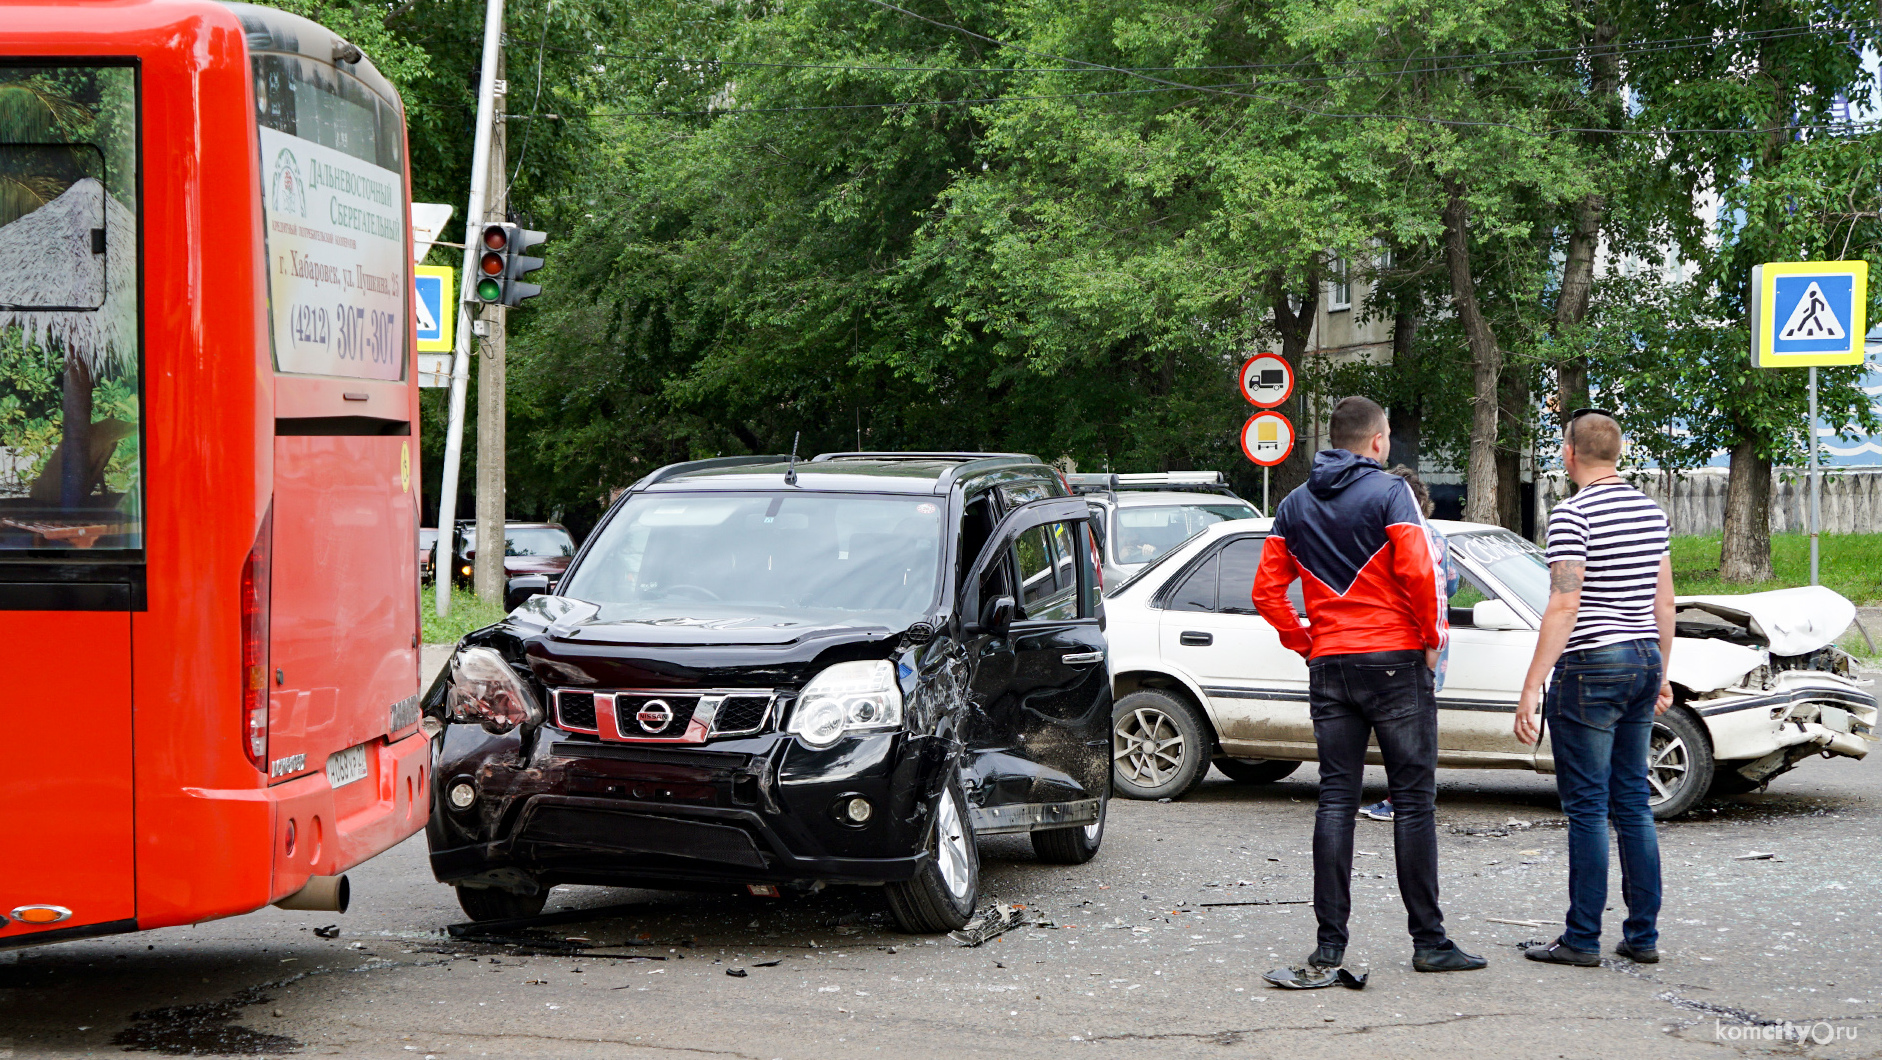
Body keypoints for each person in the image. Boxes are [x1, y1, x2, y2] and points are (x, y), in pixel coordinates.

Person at [1252, 396, 1485, 975]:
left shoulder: (1292, 505)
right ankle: (1429, 943)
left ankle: (1329, 946)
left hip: (1330, 665)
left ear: (1333, 440)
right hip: (1395, 662)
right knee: (1412, 804)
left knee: (1335, 800)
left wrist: (1306, 642)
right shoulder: (1390, 494)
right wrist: (1432, 640)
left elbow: (1265, 592)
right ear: (1378, 441)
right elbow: (1422, 573)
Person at [1514, 409, 1672, 967]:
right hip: (1643, 659)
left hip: (1592, 665)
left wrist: (1532, 683)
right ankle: (1643, 936)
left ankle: (1582, 938)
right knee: (1633, 801)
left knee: (1586, 806)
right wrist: (1662, 671)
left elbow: (1564, 602)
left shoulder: (1571, 514)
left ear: (1569, 454)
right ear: (1621, 451)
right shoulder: (1652, 513)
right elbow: (1664, 600)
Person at [1360, 465, 1460, 824]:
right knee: (1415, 731)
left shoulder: (1375, 535)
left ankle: (1402, 798)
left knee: (1397, 732)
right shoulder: (1435, 537)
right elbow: (1449, 587)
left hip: (1396, 642)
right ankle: (1409, 797)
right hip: (1430, 646)